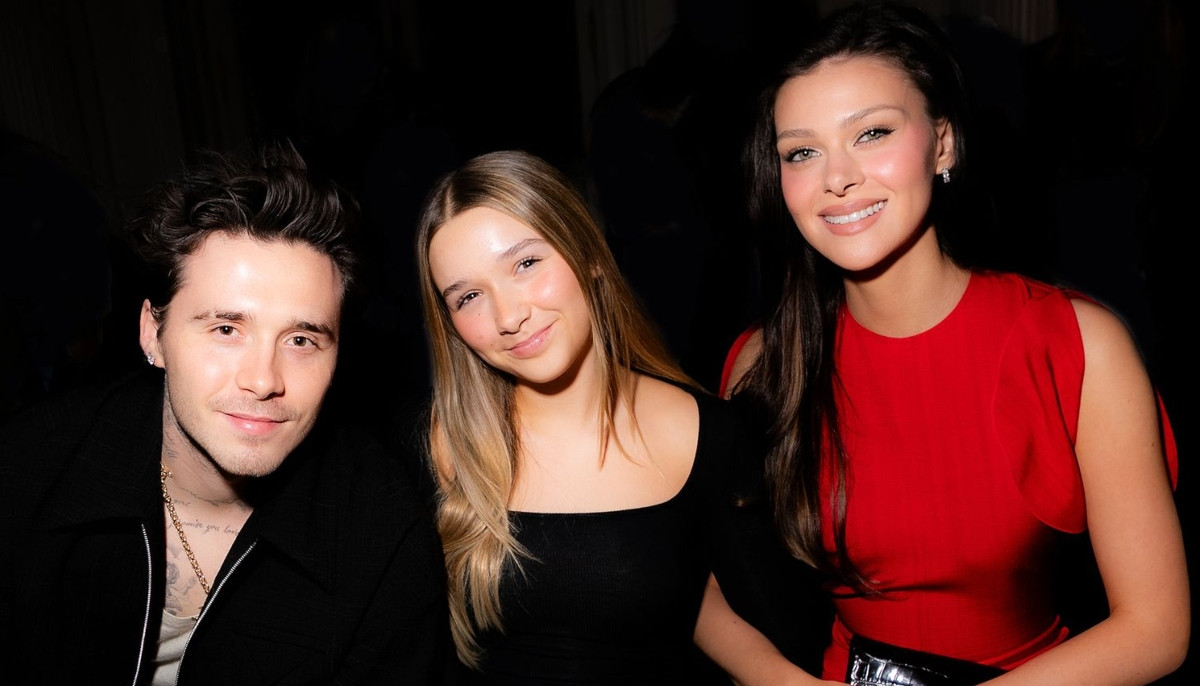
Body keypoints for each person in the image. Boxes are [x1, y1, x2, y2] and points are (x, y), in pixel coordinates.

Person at [721, 1, 1188, 684]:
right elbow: (684, 572)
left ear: (942, 143)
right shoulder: (765, 362)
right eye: (802, 151)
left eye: (872, 132)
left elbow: (1156, 628)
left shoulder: (1075, 345)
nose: (836, 178)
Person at [0, 141, 451, 684]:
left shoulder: (383, 532)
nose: (263, 380)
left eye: (302, 340)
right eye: (226, 329)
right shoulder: (30, 467)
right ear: (153, 333)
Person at [414, 149, 840, 685]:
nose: (509, 316)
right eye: (470, 296)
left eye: (526, 264)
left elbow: (697, 593)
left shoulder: (704, 435)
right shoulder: (440, 446)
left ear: (590, 254)